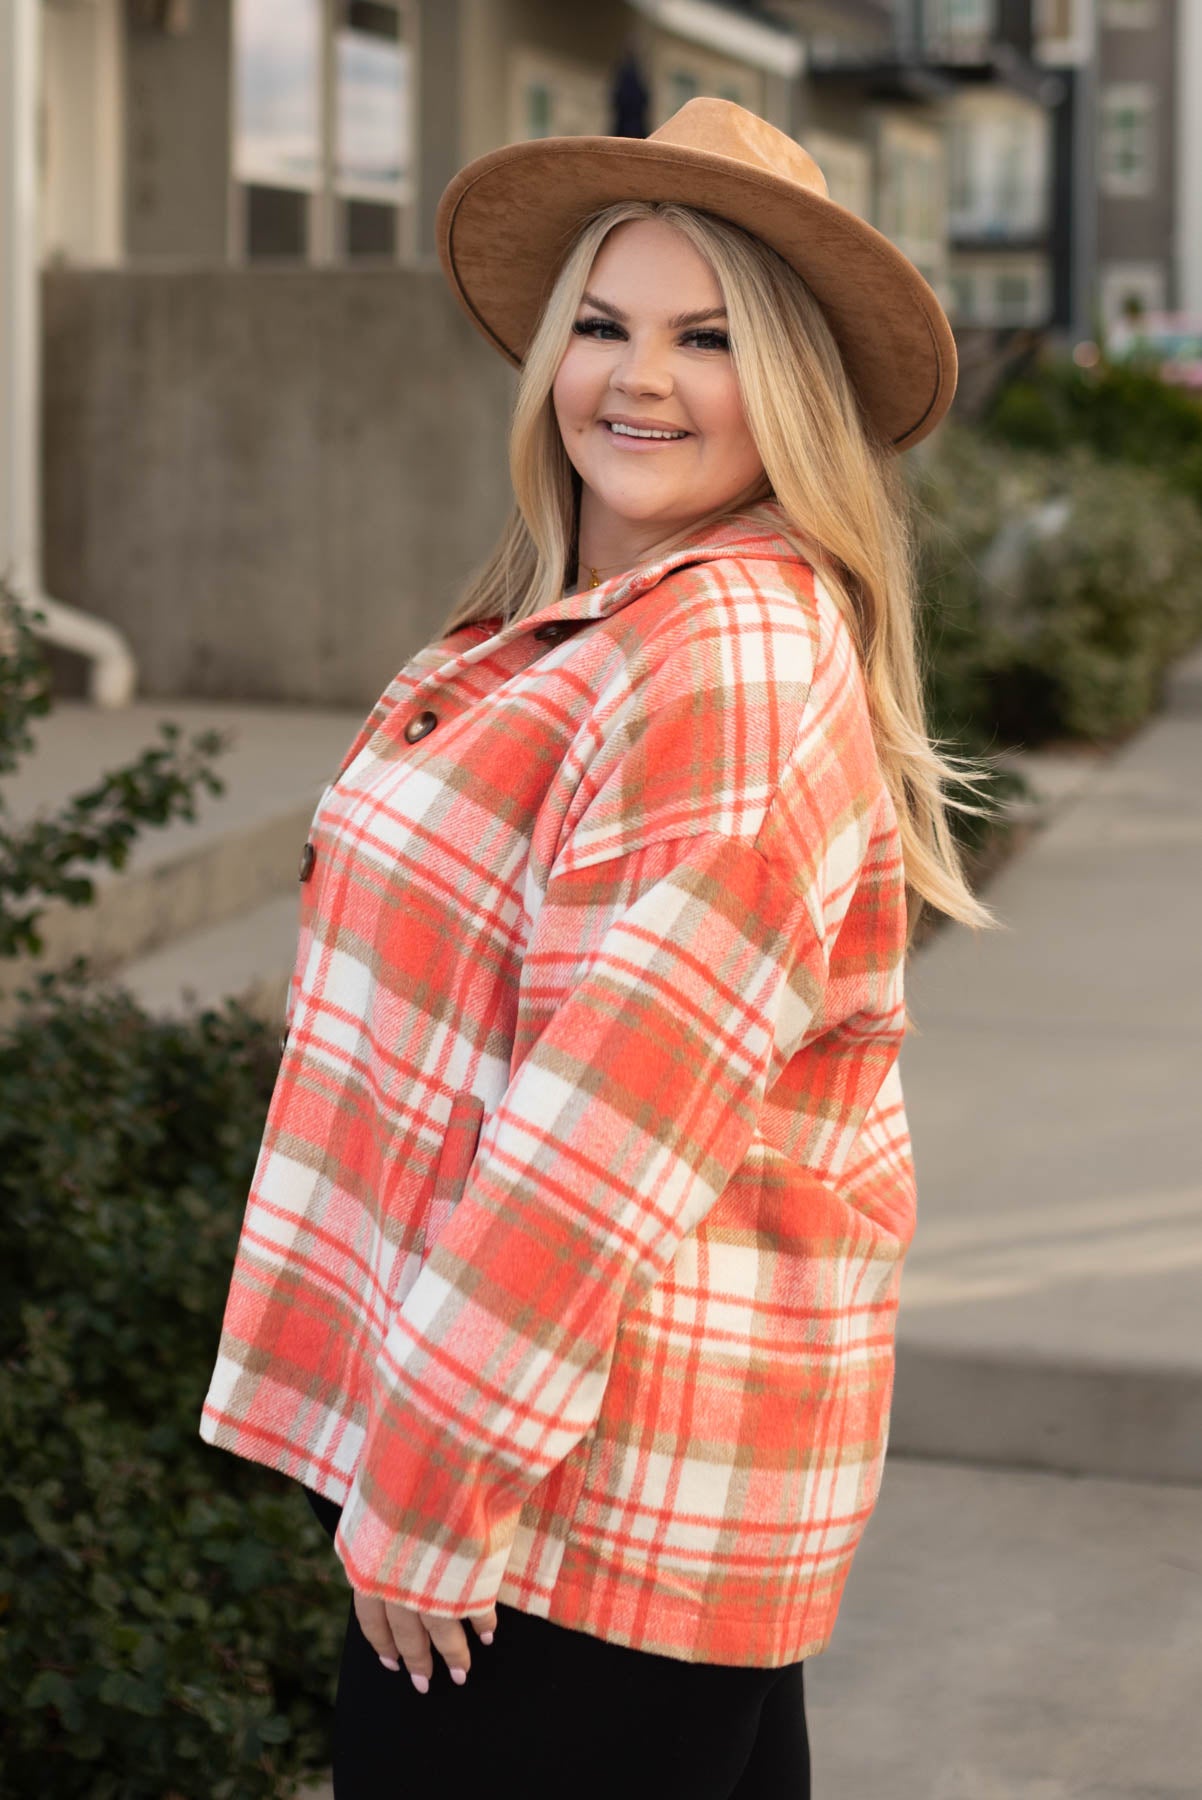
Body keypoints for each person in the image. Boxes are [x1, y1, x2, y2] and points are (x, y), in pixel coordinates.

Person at [199, 99, 995, 1798]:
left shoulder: (724, 655)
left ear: (788, 389)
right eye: (604, 325)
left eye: (707, 339)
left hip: (570, 1523)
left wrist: (430, 1488)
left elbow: (600, 1138)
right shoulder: (578, 627)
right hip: (580, 1499)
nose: (637, 379)